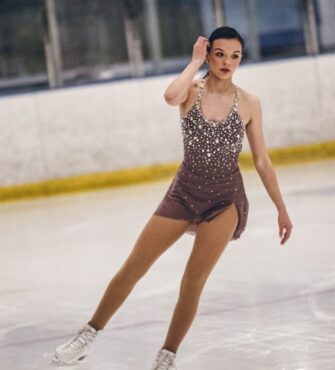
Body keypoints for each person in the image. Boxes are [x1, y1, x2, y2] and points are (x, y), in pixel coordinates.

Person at [51, 26, 293, 369]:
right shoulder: (190, 91)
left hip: (225, 200)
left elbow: (262, 160)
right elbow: (169, 96)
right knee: (134, 267)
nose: (227, 62)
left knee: (192, 281)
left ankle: (167, 357)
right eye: (220, 54)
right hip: (184, 193)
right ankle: (87, 335)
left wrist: (281, 208)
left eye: (235, 56)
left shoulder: (250, 102)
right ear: (208, 54)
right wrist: (194, 62)